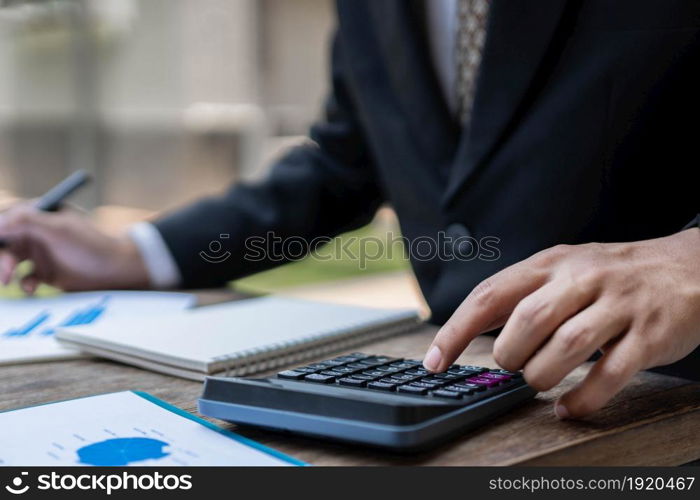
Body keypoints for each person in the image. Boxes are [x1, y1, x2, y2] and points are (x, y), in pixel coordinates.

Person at [1, 0, 698, 420]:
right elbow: (344, 161)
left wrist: (689, 258)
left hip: (663, 407)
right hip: (459, 397)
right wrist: (136, 254)